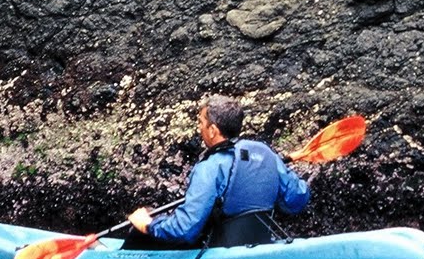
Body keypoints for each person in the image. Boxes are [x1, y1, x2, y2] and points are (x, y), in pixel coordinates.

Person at [126, 96, 311, 249]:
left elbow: (185, 229)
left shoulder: (210, 167)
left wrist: (149, 224)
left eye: (201, 122)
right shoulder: (266, 154)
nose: (199, 128)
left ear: (213, 130)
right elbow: (297, 199)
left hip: (220, 250)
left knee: (140, 228)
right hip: (260, 242)